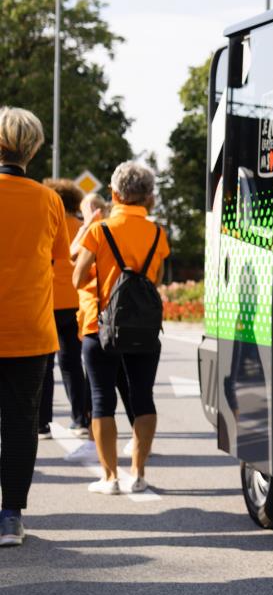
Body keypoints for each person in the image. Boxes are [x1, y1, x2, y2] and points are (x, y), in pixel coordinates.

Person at [72, 162, 170, 494]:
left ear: (114, 194)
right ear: (147, 196)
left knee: (102, 399)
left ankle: (110, 478)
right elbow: (155, 279)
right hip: (143, 328)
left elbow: (77, 278)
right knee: (143, 396)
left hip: (100, 325)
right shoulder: (157, 234)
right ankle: (138, 474)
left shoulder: (100, 231)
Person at [0, 107, 72, 547]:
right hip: (30, 330)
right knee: (21, 423)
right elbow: (58, 258)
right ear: (33, 149)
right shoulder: (49, 200)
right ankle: (11, 517)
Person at [39, 179, 90, 438]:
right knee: (72, 364)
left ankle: (42, 424)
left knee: (44, 366)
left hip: (47, 303)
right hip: (75, 304)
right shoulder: (82, 228)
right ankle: (80, 420)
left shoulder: (48, 224)